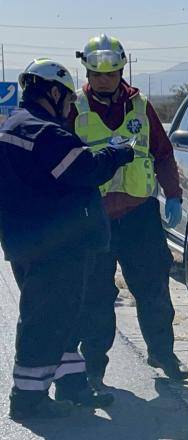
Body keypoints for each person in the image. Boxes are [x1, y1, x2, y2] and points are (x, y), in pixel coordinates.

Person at [0, 59, 135, 419]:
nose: (71, 105)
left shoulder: (13, 126)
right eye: (67, 97)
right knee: (44, 321)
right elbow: (85, 171)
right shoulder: (45, 133)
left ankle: (73, 384)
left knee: (63, 317)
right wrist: (118, 153)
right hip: (55, 248)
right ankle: (28, 399)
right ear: (54, 91)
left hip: (28, 242)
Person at [68, 34, 188, 387]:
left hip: (140, 215)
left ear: (122, 70)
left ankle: (163, 353)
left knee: (153, 288)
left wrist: (174, 195)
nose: (103, 80)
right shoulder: (74, 109)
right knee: (95, 295)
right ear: (87, 73)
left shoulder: (141, 107)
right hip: (94, 218)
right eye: (96, 74)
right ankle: (93, 366)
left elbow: (163, 154)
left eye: (110, 73)